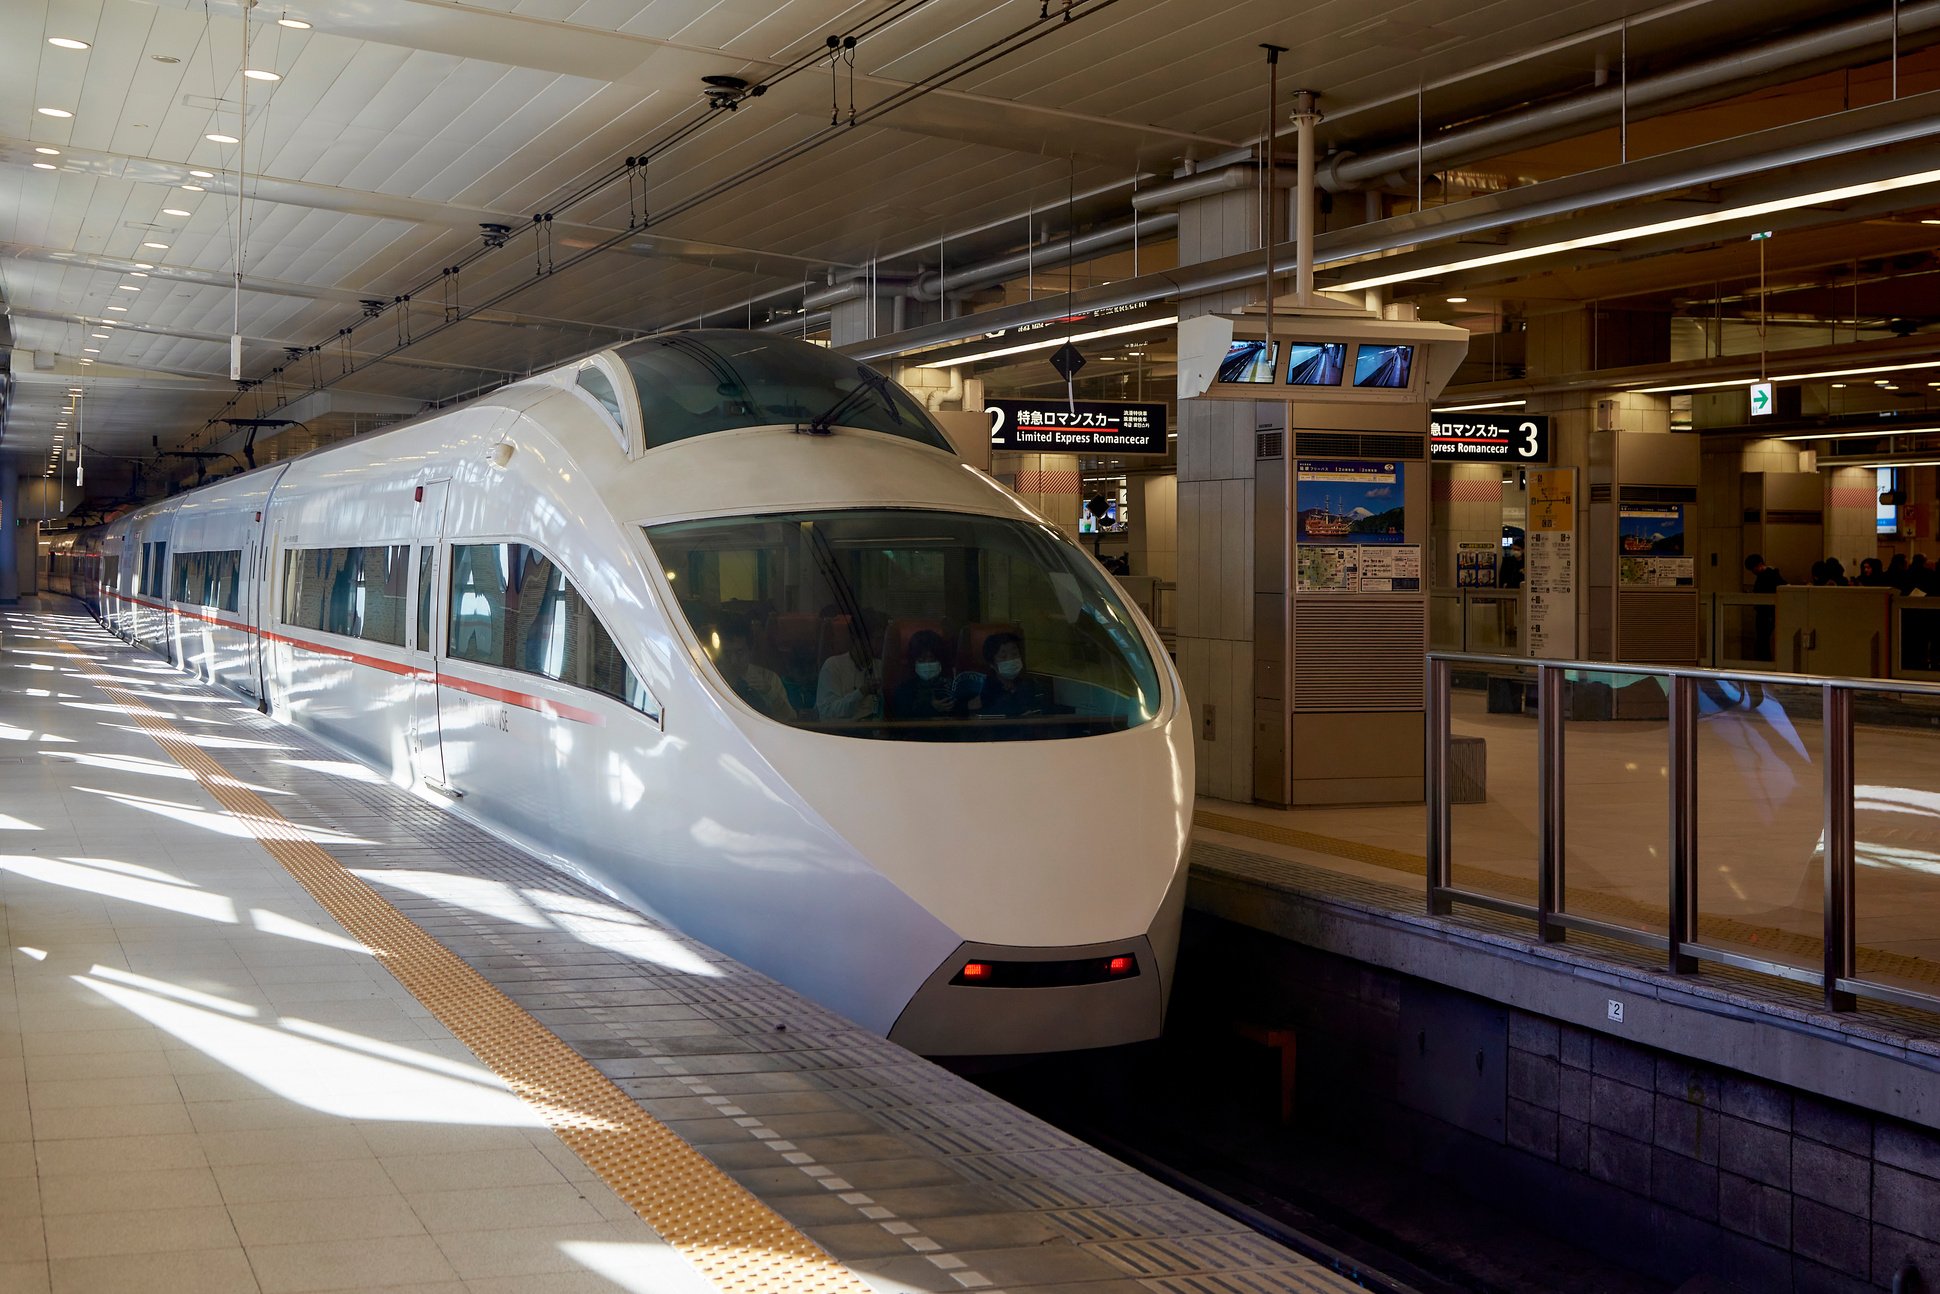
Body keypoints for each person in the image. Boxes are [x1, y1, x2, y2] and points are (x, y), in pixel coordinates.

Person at [714, 617, 794, 721]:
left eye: (739, 652)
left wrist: (769, 692)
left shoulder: (769, 679)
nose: (733, 660)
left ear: (750, 650)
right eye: (727, 653)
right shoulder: (712, 678)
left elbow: (790, 718)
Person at [814, 616, 882, 721]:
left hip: (876, 732)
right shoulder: (833, 665)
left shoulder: (882, 667)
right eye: (873, 639)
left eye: (880, 639)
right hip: (843, 733)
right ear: (856, 639)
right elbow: (827, 712)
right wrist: (861, 692)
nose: (877, 645)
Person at [887, 630, 960, 720]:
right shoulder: (904, 690)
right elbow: (902, 722)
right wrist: (930, 708)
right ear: (914, 662)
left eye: (932, 659)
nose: (927, 664)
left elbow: (963, 720)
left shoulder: (952, 687)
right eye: (922, 660)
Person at [978, 631, 1053, 717]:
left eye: (1015, 654)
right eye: (1003, 657)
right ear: (991, 664)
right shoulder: (985, 689)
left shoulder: (1031, 685)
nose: (1011, 660)